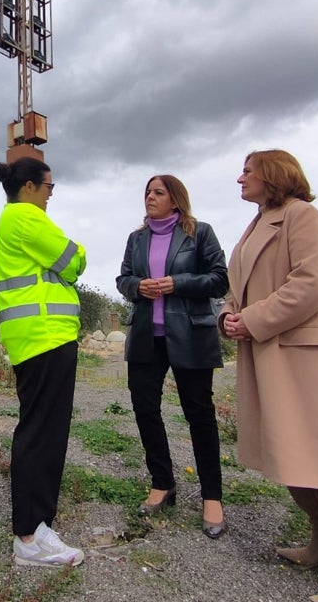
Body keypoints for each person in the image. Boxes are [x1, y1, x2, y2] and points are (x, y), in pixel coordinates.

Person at [220, 149, 318, 602]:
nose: (239, 178)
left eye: (247, 171)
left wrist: (250, 318)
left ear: (273, 174)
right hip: (272, 351)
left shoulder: (303, 216)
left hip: (309, 357)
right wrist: (229, 317)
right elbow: (239, 289)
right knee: (291, 450)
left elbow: (309, 284)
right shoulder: (256, 225)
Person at [115, 175, 230, 538]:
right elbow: (123, 280)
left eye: (158, 192)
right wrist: (138, 287)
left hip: (191, 335)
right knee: (145, 410)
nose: (150, 197)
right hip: (147, 336)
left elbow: (219, 279)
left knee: (199, 415)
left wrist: (176, 284)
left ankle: (212, 497)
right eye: (147, 192)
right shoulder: (137, 238)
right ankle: (162, 483)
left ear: (175, 200)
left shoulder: (200, 232)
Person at [0, 156, 88, 567]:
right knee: (41, 434)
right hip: (44, 337)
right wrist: (77, 251)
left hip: (39, 339)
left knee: (43, 431)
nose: (50, 196)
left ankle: (38, 527)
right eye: (49, 187)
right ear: (29, 187)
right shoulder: (27, 218)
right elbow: (75, 261)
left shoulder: (15, 219)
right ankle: (30, 536)